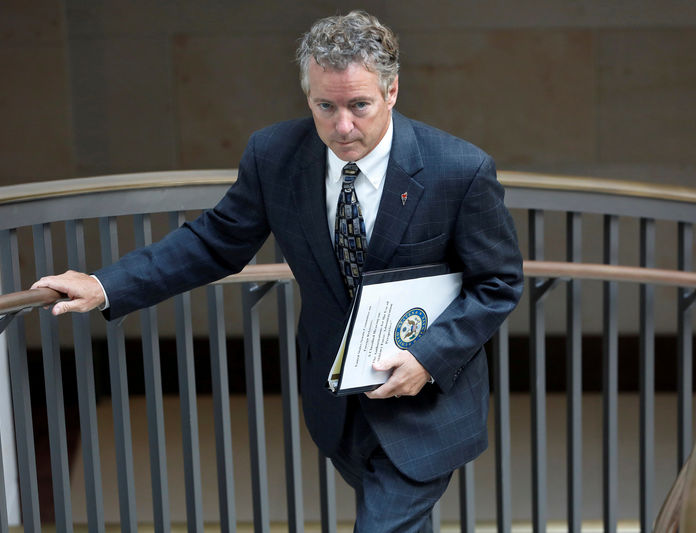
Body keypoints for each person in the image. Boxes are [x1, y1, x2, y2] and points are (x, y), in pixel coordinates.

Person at [32, 11, 523, 532]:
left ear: (392, 91)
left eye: (359, 105)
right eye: (324, 106)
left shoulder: (459, 170)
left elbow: (498, 283)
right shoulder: (275, 156)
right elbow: (215, 241)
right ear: (307, 94)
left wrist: (427, 357)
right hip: (338, 403)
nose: (342, 127)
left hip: (426, 404)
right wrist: (106, 285)